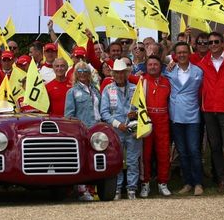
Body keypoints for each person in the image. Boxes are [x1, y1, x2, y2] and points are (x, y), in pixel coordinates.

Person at [162, 41, 204, 196]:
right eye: (179, 52)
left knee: (194, 150)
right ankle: (187, 183)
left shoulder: (198, 71)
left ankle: (198, 183)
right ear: (175, 54)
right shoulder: (169, 71)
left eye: (184, 52)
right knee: (182, 151)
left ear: (189, 53)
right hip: (176, 116)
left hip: (192, 116)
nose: (182, 55)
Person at [199, 31, 224, 194]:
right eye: (210, 43)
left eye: (216, 42)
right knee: (215, 146)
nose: (213, 45)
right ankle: (221, 179)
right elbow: (179, 60)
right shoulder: (203, 62)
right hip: (209, 109)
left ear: (223, 43)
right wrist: (172, 62)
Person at [100, 59, 140, 200]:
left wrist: (135, 113)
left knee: (132, 161)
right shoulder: (107, 89)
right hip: (116, 131)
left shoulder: (135, 88)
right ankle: (116, 189)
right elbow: (104, 112)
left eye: (122, 72)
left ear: (126, 73)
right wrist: (117, 124)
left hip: (132, 129)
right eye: (116, 73)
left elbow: (142, 108)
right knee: (117, 160)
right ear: (113, 74)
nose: (119, 75)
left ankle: (132, 189)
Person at [64, 61, 101, 201]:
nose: (83, 74)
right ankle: (82, 190)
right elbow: (69, 115)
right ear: (75, 74)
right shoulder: (72, 92)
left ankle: (95, 189)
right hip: (82, 129)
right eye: (79, 71)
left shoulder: (95, 90)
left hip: (96, 128)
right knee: (83, 159)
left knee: (95, 159)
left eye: (85, 71)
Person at [139, 55, 172, 198]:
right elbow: (122, 75)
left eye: (155, 64)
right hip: (147, 120)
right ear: (146, 66)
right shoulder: (141, 80)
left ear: (161, 66)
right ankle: (145, 183)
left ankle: (163, 183)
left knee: (163, 153)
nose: (152, 67)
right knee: (145, 154)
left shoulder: (167, 82)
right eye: (150, 64)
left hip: (163, 121)